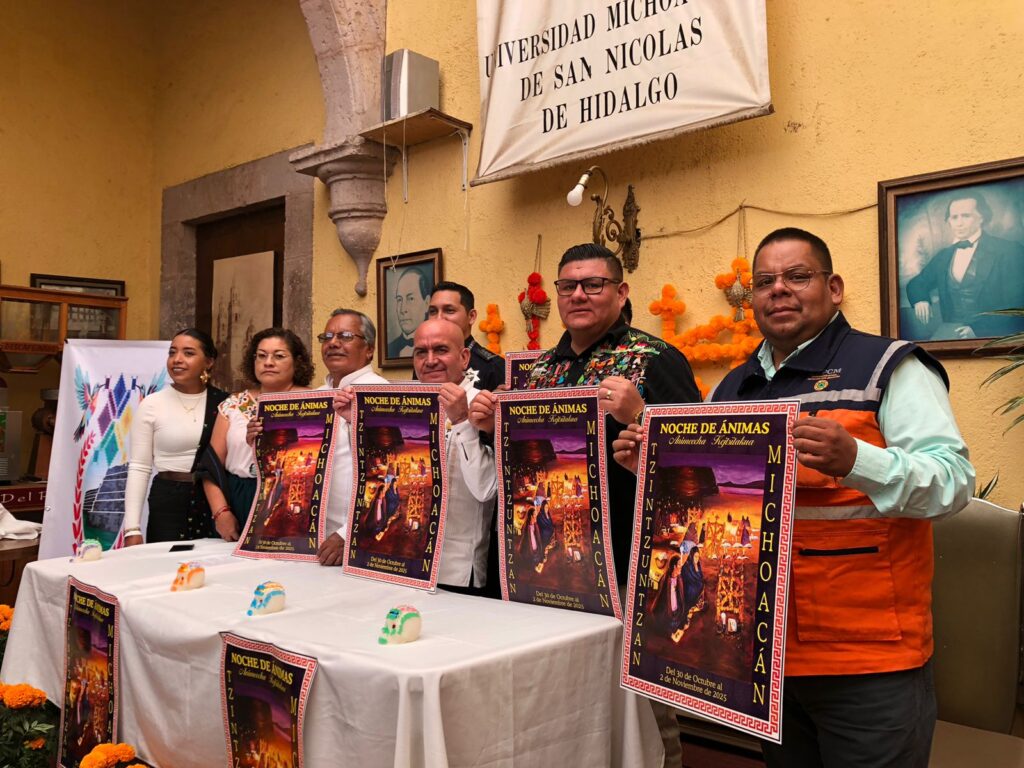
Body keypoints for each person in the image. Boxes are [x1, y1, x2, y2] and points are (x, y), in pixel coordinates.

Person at [616, 227, 975, 768]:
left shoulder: (889, 367)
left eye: (797, 276)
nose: (778, 289)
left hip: (866, 660)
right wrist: (653, 470)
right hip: (763, 657)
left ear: (834, 288)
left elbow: (953, 482)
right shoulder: (731, 388)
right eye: (764, 282)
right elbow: (717, 503)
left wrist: (858, 460)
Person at [470, 242, 699, 768]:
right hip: (549, 562)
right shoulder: (538, 372)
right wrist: (487, 427)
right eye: (568, 285)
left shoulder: (655, 359)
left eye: (593, 284)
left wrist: (641, 413)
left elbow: (693, 453)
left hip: (626, 565)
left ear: (621, 292)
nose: (579, 294)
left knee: (641, 707)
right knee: (561, 697)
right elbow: (519, 463)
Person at [202, 328, 315, 541]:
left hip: (293, 497)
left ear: (297, 361)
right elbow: (210, 469)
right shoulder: (233, 404)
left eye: (278, 356)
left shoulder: (315, 401)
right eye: (261, 356)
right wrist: (221, 513)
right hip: (240, 497)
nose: (268, 362)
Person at [123, 329, 228, 544]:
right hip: (168, 502)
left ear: (208, 362)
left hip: (217, 503)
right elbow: (140, 467)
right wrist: (131, 529)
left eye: (188, 353)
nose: (177, 359)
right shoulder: (152, 404)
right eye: (172, 352)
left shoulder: (225, 404)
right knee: (165, 563)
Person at [315, 309, 388, 565]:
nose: (333, 343)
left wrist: (349, 533)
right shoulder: (315, 396)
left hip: (360, 540)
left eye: (345, 336)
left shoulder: (382, 395)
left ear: (369, 349)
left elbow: (390, 474)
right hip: (313, 537)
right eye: (327, 337)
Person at [906, 192, 1024, 339]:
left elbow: (1017, 303)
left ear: (981, 218)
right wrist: (920, 299)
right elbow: (917, 283)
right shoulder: (944, 256)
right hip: (952, 329)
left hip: (995, 333)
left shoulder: (1009, 251)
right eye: (954, 217)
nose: (959, 223)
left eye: (966, 216)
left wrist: (978, 329)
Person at [426, 280, 505, 391]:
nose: (439, 318)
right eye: (433, 311)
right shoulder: (424, 360)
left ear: (471, 316)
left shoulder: (494, 366)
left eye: (449, 310)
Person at [388, 265, 431, 358]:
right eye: (399, 299)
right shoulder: (389, 348)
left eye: (411, 299)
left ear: (426, 303)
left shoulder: (439, 346)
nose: (403, 310)